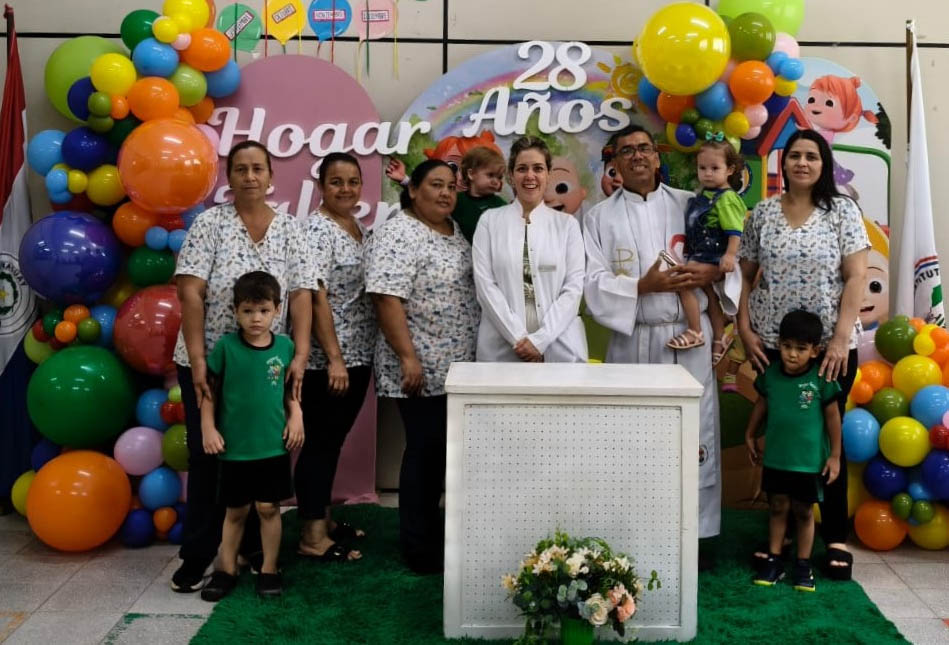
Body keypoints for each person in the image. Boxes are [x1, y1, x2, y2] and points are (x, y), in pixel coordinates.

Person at [583, 124, 738, 565]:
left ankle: (696, 534)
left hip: (688, 338)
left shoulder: (691, 203)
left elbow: (725, 252)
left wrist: (712, 275)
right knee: (631, 436)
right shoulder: (598, 217)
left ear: (656, 156)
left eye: (644, 148)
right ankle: (632, 532)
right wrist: (640, 286)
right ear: (614, 162)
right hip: (634, 338)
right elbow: (591, 282)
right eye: (627, 151)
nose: (636, 156)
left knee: (694, 432)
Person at [171, 140, 317, 593]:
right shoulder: (210, 225)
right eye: (240, 169)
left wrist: (300, 355)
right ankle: (199, 555)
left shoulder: (291, 229)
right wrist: (198, 361)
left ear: (271, 176)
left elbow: (302, 295)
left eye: (258, 169)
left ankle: (253, 553)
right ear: (228, 178)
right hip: (213, 362)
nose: (250, 176)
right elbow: (191, 292)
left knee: (261, 455)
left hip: (270, 366)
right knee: (209, 454)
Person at [738, 128, 869, 581]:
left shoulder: (842, 212)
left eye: (811, 156)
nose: (802, 163)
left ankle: (834, 537)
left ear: (823, 164)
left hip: (827, 350)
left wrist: (838, 338)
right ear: (783, 163)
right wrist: (742, 326)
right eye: (794, 156)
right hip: (773, 344)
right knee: (784, 433)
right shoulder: (762, 214)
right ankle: (783, 538)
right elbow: (748, 276)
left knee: (825, 437)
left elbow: (856, 278)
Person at [366, 159, 479, 574]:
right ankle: (418, 548)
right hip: (419, 366)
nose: (446, 193)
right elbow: (385, 296)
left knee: (439, 456)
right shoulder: (400, 231)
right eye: (435, 185)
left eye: (451, 185)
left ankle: (433, 534)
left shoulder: (452, 231)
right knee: (425, 452)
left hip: (456, 366)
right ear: (413, 190)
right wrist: (408, 356)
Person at [198, 272, 304, 601]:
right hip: (235, 449)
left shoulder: (286, 347)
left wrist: (297, 416)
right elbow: (208, 392)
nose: (255, 318)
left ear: (276, 310)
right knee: (236, 511)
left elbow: (289, 392)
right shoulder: (226, 348)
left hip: (272, 447)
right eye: (247, 311)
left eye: (263, 311)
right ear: (235, 312)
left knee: (269, 509)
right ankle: (226, 568)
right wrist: (208, 426)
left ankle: (269, 569)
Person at [296, 152, 375, 562]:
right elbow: (315, 295)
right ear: (321, 186)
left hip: (359, 353)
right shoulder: (316, 230)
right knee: (320, 445)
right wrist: (335, 358)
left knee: (332, 441)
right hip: (329, 362)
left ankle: (322, 519)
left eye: (352, 181)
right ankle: (311, 537)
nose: (346, 189)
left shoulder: (356, 227)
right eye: (336, 181)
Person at [744, 310, 842, 592]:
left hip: (808, 464)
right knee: (777, 507)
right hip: (776, 459)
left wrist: (834, 456)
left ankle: (803, 564)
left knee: (803, 511)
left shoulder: (822, 379)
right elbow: (762, 405)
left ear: (815, 351)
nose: (792, 355)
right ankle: (774, 561)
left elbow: (834, 418)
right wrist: (750, 434)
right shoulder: (770, 375)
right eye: (787, 346)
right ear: (779, 344)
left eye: (801, 349)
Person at [472, 135, 587, 363]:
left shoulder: (567, 225)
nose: (530, 176)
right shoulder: (489, 221)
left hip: (559, 347)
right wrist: (520, 339)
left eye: (538, 168)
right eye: (522, 168)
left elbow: (573, 289)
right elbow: (485, 287)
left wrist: (540, 340)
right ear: (511, 176)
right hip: (502, 349)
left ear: (547, 174)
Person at [666, 138, 746, 365]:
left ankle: (695, 330)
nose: (708, 174)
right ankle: (719, 339)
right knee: (709, 295)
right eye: (703, 168)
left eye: (715, 168)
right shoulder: (704, 195)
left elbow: (734, 231)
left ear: (730, 170)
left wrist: (729, 255)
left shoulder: (727, 198)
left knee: (683, 281)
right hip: (700, 252)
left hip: (713, 255)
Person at [451, 146, 507, 243]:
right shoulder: (456, 200)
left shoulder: (500, 205)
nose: (496, 181)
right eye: (490, 175)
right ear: (471, 174)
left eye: (499, 177)